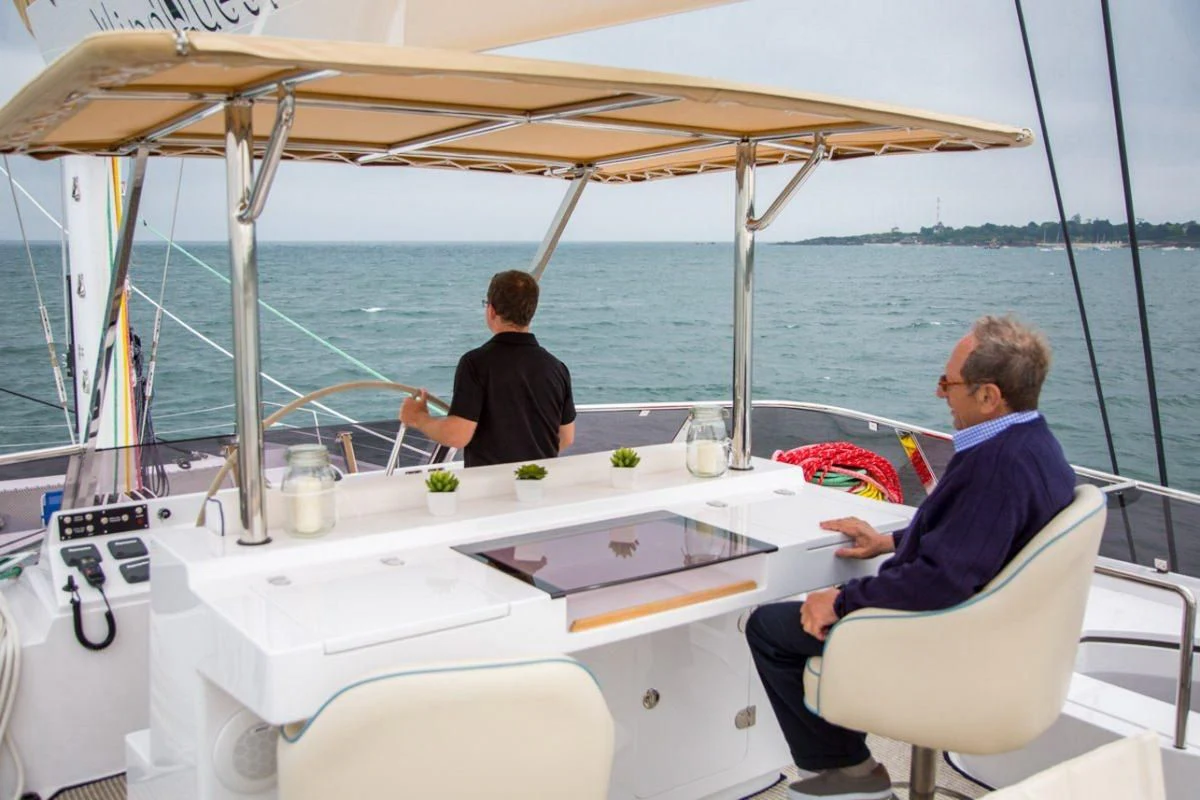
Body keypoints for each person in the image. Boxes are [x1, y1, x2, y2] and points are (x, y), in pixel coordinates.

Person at [746, 315, 1076, 800]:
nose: (941, 393)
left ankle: (851, 776)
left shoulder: (995, 467)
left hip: (944, 643)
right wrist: (892, 542)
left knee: (770, 630)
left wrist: (838, 602)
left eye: (949, 383)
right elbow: (976, 538)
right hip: (1000, 639)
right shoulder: (1034, 446)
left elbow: (938, 582)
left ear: (989, 396)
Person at [400, 269, 575, 467]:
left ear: (491, 310)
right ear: (531, 312)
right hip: (538, 484)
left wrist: (419, 418)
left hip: (490, 489)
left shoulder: (475, 364)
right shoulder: (556, 368)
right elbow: (566, 437)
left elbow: (457, 435)